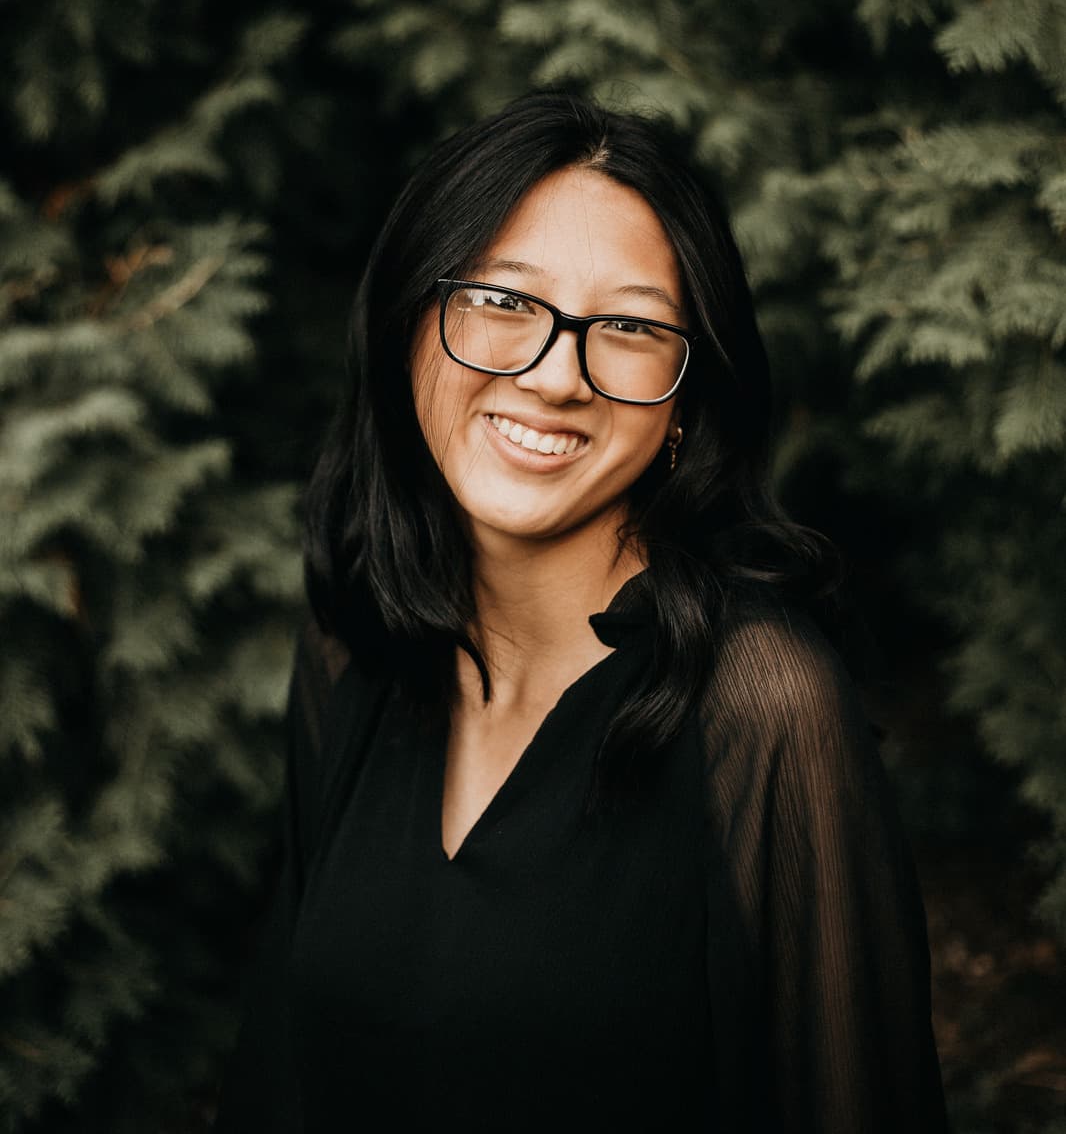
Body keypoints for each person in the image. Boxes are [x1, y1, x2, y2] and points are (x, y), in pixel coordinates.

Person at [214, 92, 949, 1132]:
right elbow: (285, 1069)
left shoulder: (760, 706)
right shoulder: (357, 642)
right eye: (503, 303)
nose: (558, 375)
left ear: (687, 395)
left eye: (632, 327)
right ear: (407, 324)